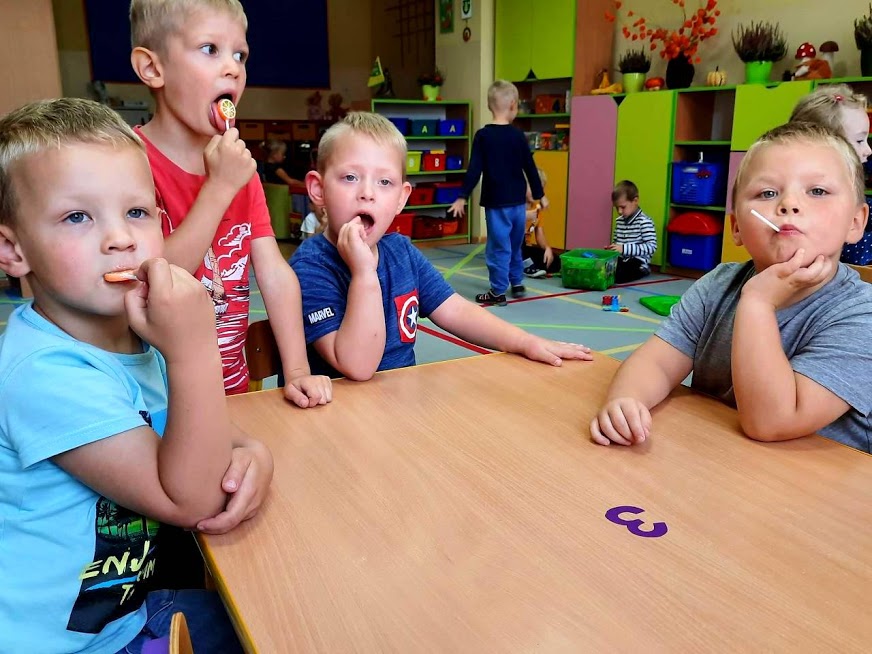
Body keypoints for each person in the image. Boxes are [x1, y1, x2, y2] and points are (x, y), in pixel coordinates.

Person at [0, 97, 273, 653]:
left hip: (132, 609)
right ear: (13, 248)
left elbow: (214, 435)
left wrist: (255, 454)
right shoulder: (43, 372)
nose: (121, 239)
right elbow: (192, 501)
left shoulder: (135, 331)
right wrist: (194, 349)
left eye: (138, 213)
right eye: (78, 217)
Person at [590, 121, 872, 453]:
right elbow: (657, 363)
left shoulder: (861, 314)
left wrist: (757, 303)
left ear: (855, 222)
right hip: (721, 459)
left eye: (818, 191)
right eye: (768, 193)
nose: (789, 204)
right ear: (736, 227)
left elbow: (773, 422)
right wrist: (627, 399)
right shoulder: (717, 285)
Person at [129, 0, 332, 404]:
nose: (233, 68)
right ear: (152, 68)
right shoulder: (127, 162)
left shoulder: (241, 171)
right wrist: (219, 189)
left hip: (231, 394)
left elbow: (273, 273)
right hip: (154, 403)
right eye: (210, 49)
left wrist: (296, 370)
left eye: (240, 55)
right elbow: (149, 282)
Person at [290, 112, 592, 381]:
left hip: (398, 405)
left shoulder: (402, 252)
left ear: (401, 198)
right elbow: (357, 367)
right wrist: (364, 273)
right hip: (341, 415)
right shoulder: (312, 266)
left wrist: (524, 342)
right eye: (350, 177)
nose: (367, 193)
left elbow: (456, 310)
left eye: (384, 182)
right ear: (319, 189)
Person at [448, 80, 548, 306]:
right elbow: (530, 167)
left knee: (498, 248)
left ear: (489, 106)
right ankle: (517, 283)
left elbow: (474, 169)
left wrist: (462, 196)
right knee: (515, 245)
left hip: (497, 204)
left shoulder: (483, 136)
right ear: (513, 105)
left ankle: (498, 291)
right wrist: (540, 195)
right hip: (517, 204)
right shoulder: (518, 136)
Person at [790, 83, 872, 265]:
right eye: (860, 140)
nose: (868, 150)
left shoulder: (844, 183)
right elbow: (854, 251)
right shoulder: (817, 195)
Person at [607, 180, 657, 284]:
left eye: (623, 207)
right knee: (606, 267)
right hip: (622, 259)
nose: (619, 211)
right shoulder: (619, 221)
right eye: (617, 208)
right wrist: (613, 248)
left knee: (620, 275)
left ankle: (642, 271)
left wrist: (624, 249)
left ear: (635, 201)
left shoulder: (644, 221)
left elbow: (651, 247)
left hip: (638, 262)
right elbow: (617, 242)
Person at [522, 168, 561, 278]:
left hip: (525, 250)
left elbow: (540, 235)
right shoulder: (515, 205)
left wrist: (547, 248)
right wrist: (525, 216)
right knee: (520, 244)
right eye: (533, 188)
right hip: (511, 247)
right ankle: (522, 264)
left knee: (554, 260)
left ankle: (527, 264)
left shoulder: (536, 208)